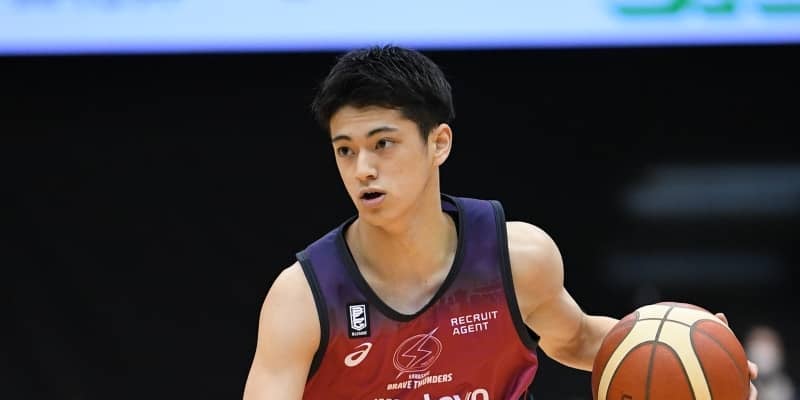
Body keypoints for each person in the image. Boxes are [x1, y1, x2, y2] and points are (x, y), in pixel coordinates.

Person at [242, 45, 758, 399]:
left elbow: (576, 338)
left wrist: (694, 352)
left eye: (383, 143)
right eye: (345, 150)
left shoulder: (516, 258)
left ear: (438, 143)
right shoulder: (303, 298)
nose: (363, 169)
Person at [746, 325, 795, 400]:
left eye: (768, 341)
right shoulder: (737, 391)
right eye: (758, 341)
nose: (763, 351)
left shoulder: (793, 393)